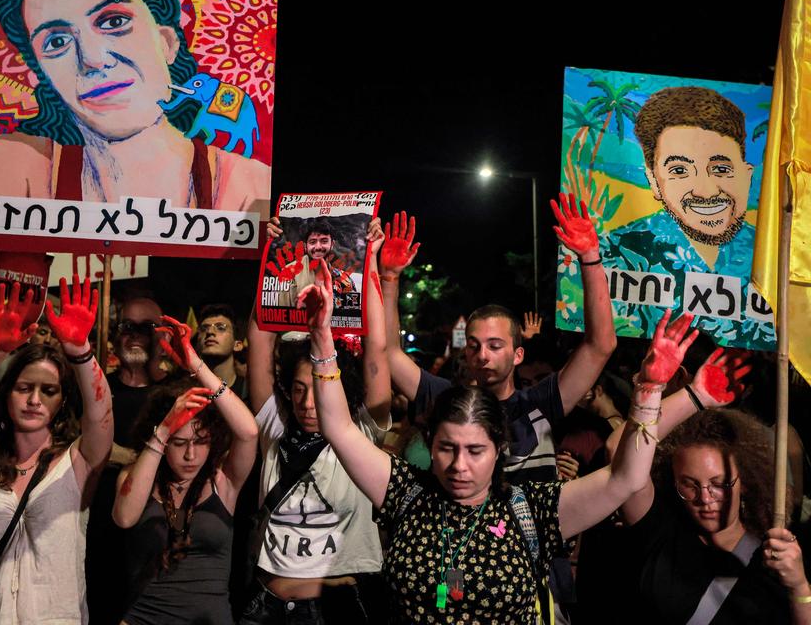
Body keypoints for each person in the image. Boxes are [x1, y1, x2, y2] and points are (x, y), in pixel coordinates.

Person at [307, 255, 689, 622]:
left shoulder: (533, 508)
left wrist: (651, 392)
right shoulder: (407, 491)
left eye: (475, 451)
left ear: (498, 450)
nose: (459, 465)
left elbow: (626, 478)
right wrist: (322, 339)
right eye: (446, 448)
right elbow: (339, 428)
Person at [0, 0, 269, 217]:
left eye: (113, 21)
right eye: (57, 41)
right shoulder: (12, 168)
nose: (93, 59)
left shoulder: (250, 188)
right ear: (42, 72)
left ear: (165, 42)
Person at [386, 196, 617, 484]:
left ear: (518, 354)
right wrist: (390, 278)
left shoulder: (539, 403)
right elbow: (390, 354)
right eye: (474, 346)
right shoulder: (448, 400)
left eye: (495, 346)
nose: (483, 355)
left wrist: (590, 257)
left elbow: (601, 345)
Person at [239, 217, 390, 624]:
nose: (308, 402)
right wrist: (270, 260)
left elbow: (377, 347)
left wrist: (370, 262)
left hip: (339, 609)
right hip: (267, 608)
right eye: (298, 389)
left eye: (319, 387)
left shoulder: (362, 431)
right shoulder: (274, 424)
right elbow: (259, 335)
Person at [0, 277, 112, 624]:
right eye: (23, 388)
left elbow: (102, 416)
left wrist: (80, 352)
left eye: (48, 390)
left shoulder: (77, 462)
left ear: (62, 402)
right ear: (5, 394)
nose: (34, 400)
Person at [604, 347, 811, 624]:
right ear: (671, 480)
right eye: (689, 484)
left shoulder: (777, 556)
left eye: (719, 483)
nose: (705, 497)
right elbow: (617, 448)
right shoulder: (661, 534)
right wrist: (693, 396)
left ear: (744, 482)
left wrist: (799, 586)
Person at [112, 316, 258, 624]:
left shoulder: (222, 480)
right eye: (179, 443)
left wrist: (196, 364)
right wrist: (164, 430)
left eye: (201, 442)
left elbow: (249, 433)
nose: (191, 454)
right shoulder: (136, 475)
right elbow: (124, 517)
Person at [601, 85, 772, 346]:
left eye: (721, 168)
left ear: (747, 176)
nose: (705, 192)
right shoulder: (611, 252)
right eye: (680, 170)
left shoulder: (780, 262)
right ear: (654, 182)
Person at [87, 294, 167, 624]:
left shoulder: (174, 395)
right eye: (126, 326)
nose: (133, 335)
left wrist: (122, 456)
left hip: (155, 541)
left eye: (145, 327)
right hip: (98, 537)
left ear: (162, 334)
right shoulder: (95, 391)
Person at [274, 218, 359, 308]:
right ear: (305, 246)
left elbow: (352, 315)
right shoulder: (288, 272)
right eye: (313, 242)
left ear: (332, 244)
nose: (318, 247)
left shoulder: (344, 280)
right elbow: (280, 312)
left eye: (324, 241)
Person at [197, 303, 246, 398]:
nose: (209, 332)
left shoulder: (250, 392)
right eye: (204, 329)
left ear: (237, 345)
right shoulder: (181, 392)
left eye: (221, 328)